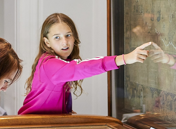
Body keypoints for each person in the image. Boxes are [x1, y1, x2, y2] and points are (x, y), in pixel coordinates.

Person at [18, 13, 153, 115]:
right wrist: (124, 58)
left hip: (49, 128)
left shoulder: (59, 62)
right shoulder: (50, 64)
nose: (65, 42)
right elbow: (80, 68)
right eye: (57, 37)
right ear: (47, 42)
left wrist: (66, 113)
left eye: (68, 35)